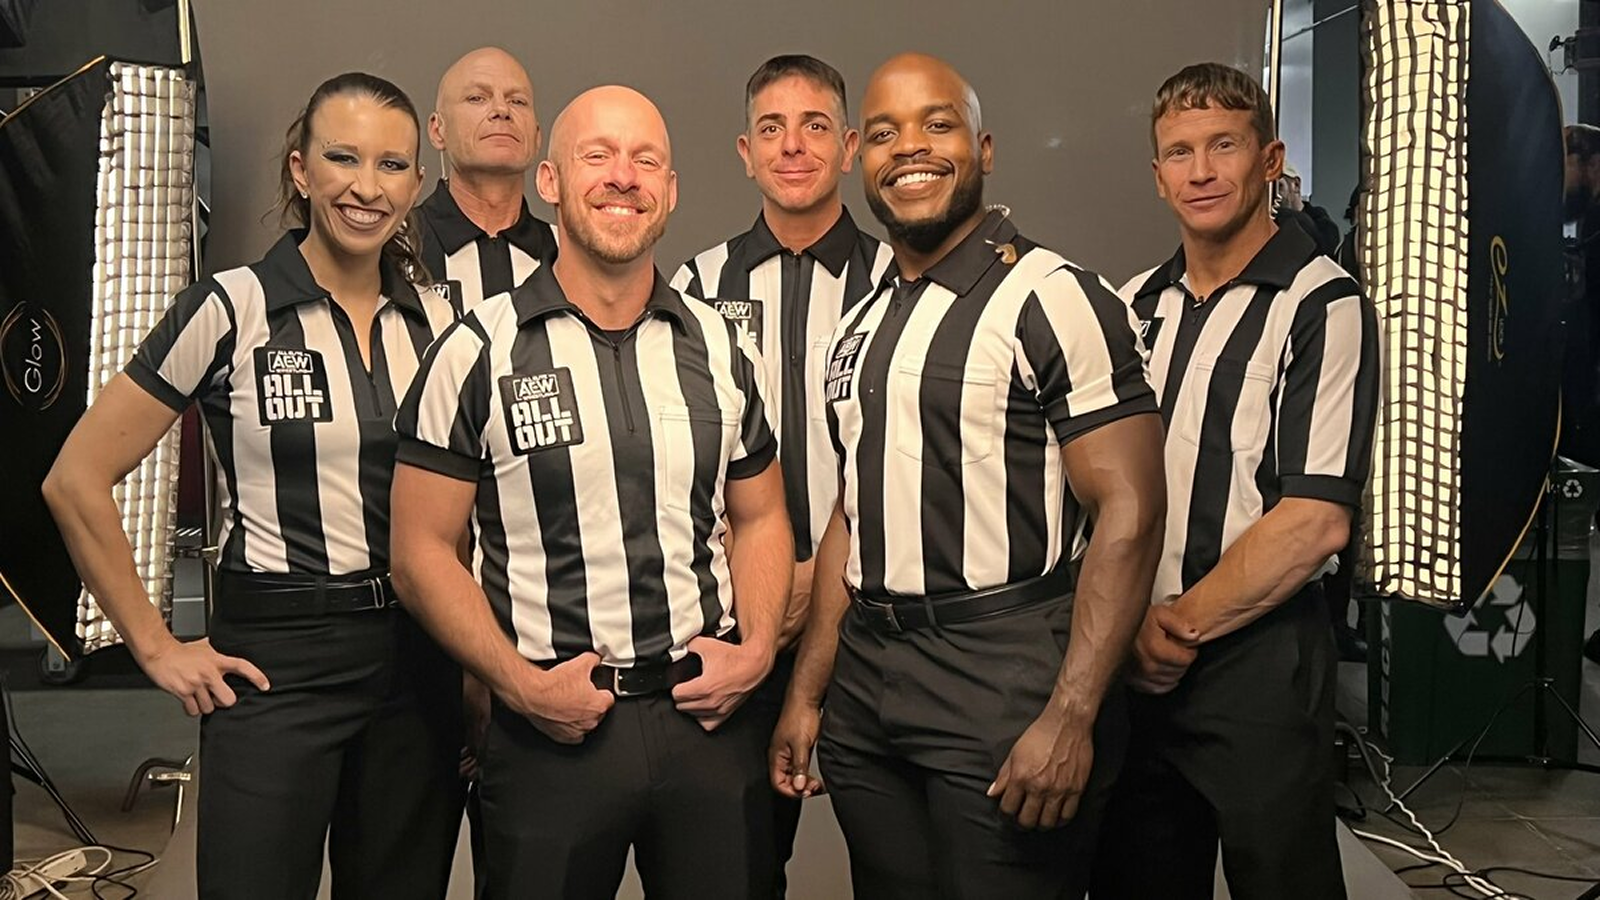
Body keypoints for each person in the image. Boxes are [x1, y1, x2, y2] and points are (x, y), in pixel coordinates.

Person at [42, 73, 463, 898]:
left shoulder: (443, 324)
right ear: (301, 170)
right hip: (277, 665)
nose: (366, 187)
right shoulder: (230, 307)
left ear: (417, 185)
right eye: (342, 158)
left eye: (391, 165)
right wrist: (154, 646)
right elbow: (75, 479)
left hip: (420, 662)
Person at [768, 53, 1166, 899]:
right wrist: (810, 693)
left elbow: (1130, 510)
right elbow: (854, 514)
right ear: (858, 158)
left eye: (936, 124)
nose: (909, 147)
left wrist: (1071, 715)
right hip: (870, 679)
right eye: (883, 133)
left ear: (983, 148)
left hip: (1006, 673)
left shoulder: (1053, 296)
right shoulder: (865, 323)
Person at [390, 85, 793, 899]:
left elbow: (762, 516)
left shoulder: (719, 346)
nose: (623, 177)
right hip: (551, 734)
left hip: (706, 722)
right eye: (597, 156)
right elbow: (419, 551)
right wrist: (518, 683)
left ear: (672, 191)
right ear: (551, 181)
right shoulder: (476, 350)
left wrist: (754, 654)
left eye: (646, 160)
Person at [1090, 62, 1379, 900]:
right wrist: (1125, 629)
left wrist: (1172, 628)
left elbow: (1316, 519)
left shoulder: (1323, 304)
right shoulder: (1133, 304)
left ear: (1271, 160)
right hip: (1132, 656)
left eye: (1224, 146)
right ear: (1157, 175)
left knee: (1281, 881)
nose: (1202, 171)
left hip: (1255, 658)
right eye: (1179, 152)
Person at [670, 53, 892, 896]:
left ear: (846, 148)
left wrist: (820, 580)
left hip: (876, 623)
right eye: (771, 128)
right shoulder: (693, 286)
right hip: (742, 622)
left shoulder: (900, 279)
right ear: (744, 151)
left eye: (813, 127)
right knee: (741, 869)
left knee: (902, 863)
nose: (791, 146)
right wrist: (769, 586)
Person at [416, 46, 558, 316]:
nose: (501, 110)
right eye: (477, 98)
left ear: (537, 136)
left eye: (517, 101)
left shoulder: (570, 252)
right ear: (438, 130)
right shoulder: (394, 245)